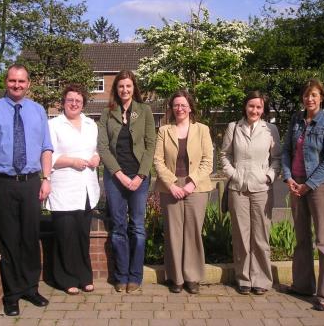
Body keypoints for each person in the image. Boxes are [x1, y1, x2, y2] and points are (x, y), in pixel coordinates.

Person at [0, 64, 53, 316]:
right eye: (12, 81)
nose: (16, 85)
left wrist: (46, 178)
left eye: (21, 81)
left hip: (31, 181)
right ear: (5, 82)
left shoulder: (38, 111)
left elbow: (46, 148)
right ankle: (12, 294)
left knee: (30, 237)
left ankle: (31, 287)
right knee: (9, 240)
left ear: (28, 83)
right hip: (2, 183)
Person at [281, 79, 324, 311]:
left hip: (320, 187)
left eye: (314, 95)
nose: (310, 99)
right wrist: (288, 177)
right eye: (306, 95)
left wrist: (309, 184)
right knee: (301, 238)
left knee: (323, 242)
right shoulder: (296, 120)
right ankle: (303, 285)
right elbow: (286, 150)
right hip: (296, 185)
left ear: (321, 97)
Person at [97, 70, 156, 294]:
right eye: (121, 86)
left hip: (139, 177)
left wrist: (140, 175)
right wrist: (119, 174)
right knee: (119, 228)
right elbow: (102, 147)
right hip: (115, 178)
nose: (125, 90)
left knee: (137, 228)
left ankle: (135, 276)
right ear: (116, 89)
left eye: (128, 86)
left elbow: (151, 145)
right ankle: (121, 276)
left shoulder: (145, 111)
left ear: (134, 88)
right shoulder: (106, 113)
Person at [220, 91, 281, 295]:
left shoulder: (270, 129)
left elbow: (277, 159)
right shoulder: (233, 127)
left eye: (258, 107)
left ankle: (261, 279)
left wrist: (269, 176)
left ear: (263, 110)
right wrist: (234, 175)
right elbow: (224, 156)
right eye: (251, 106)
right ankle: (244, 278)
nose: (254, 110)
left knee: (261, 237)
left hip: (262, 189)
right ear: (245, 107)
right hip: (238, 189)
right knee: (241, 237)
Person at [154, 90, 214, 294]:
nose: (179, 108)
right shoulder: (164, 130)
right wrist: (171, 184)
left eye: (183, 105)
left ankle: (193, 277)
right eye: (176, 105)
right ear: (171, 108)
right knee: (173, 233)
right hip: (169, 187)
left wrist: (191, 183)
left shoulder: (203, 130)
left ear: (190, 107)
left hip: (196, 187)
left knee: (193, 232)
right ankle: (176, 278)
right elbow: (158, 161)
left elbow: (208, 162)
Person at [46, 84, 100, 295]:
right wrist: (70, 161)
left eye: (78, 100)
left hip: (86, 189)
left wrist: (96, 157)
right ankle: (66, 278)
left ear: (83, 103)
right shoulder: (54, 125)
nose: (74, 103)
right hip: (63, 188)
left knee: (82, 235)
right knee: (65, 236)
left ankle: (85, 277)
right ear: (63, 102)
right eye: (70, 100)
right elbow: (48, 154)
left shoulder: (90, 124)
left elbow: (96, 149)